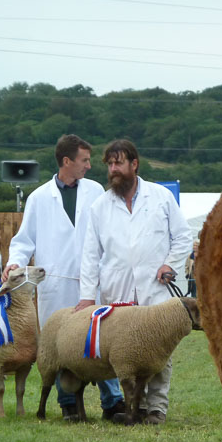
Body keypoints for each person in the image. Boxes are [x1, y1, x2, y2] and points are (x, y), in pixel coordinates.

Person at [4, 134, 125, 422]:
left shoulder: (96, 191)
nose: (89, 165)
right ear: (67, 161)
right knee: (59, 346)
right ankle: (68, 403)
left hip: (92, 281)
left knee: (100, 342)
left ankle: (113, 402)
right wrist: (14, 263)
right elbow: (24, 241)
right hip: (55, 284)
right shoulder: (38, 198)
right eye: (84, 160)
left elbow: (112, 230)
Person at [76, 139, 192, 425]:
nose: (113, 169)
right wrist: (88, 297)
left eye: (118, 163)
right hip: (119, 291)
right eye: (110, 164)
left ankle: (156, 409)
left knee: (159, 352)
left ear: (134, 164)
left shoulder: (161, 197)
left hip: (156, 288)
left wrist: (170, 264)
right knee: (126, 354)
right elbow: (91, 255)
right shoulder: (100, 207)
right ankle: (133, 407)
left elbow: (183, 237)